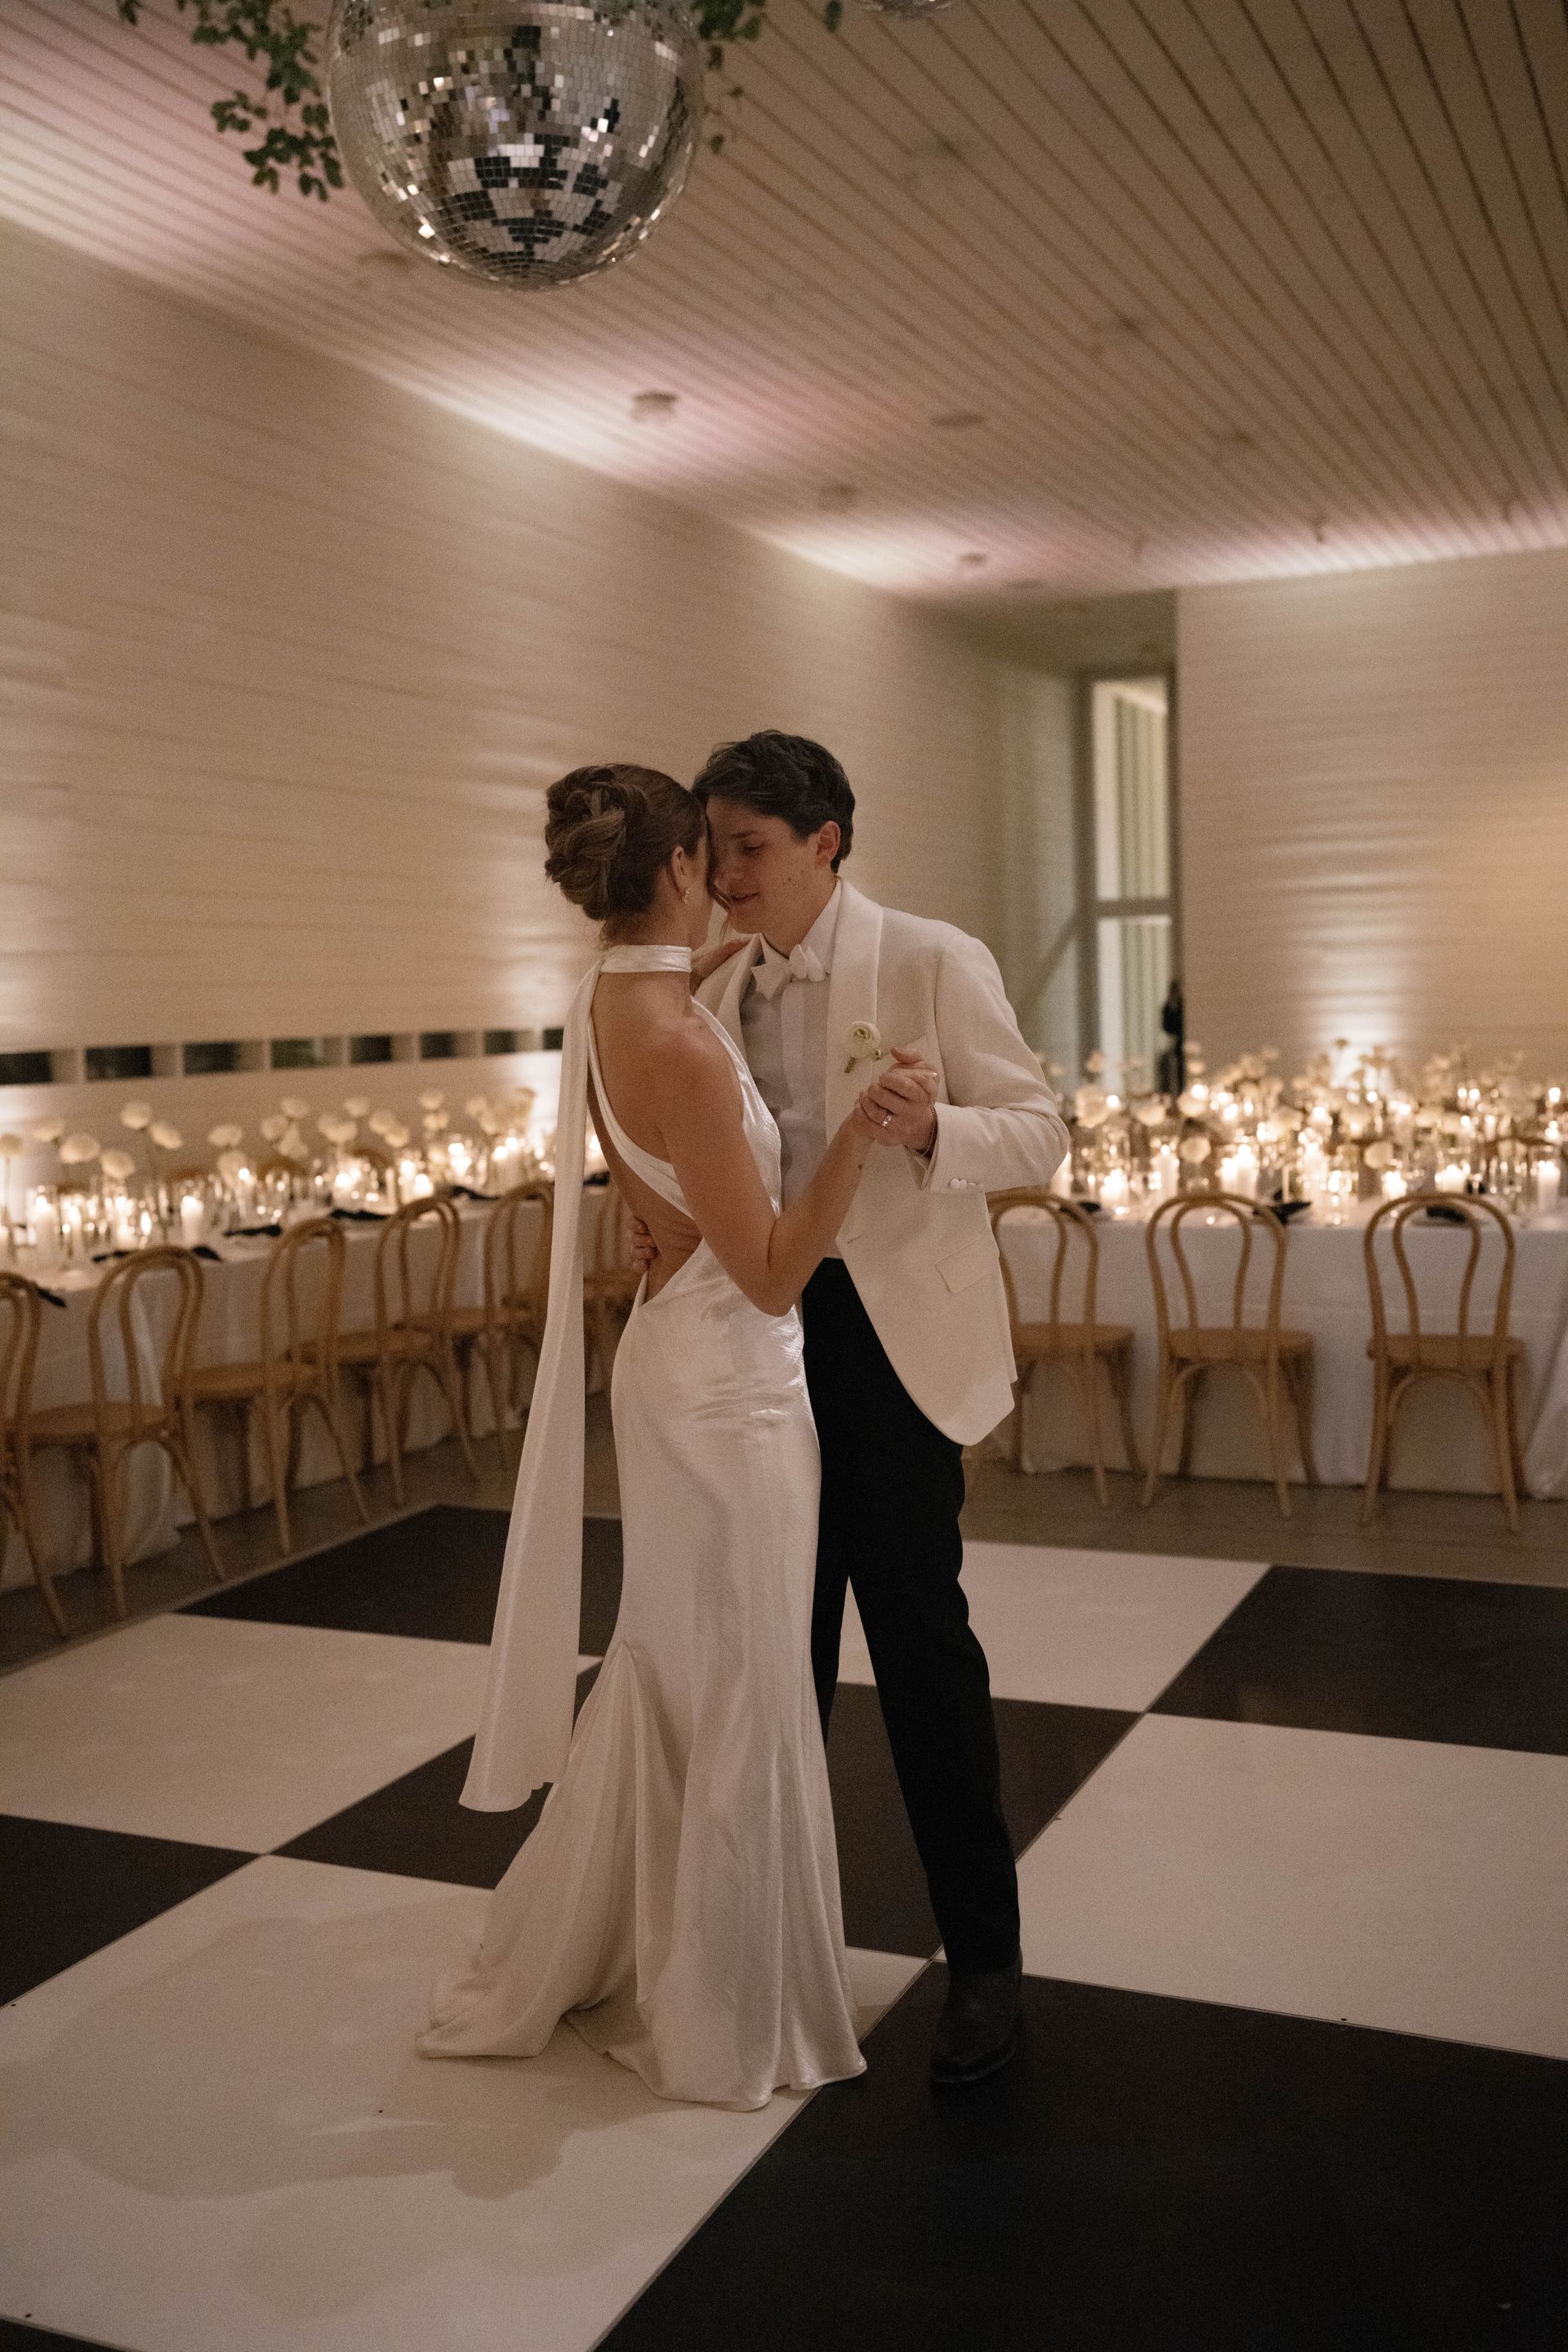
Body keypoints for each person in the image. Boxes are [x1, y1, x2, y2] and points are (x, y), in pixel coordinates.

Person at [417, 763, 902, 2112]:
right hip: (734, 1386)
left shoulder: (609, 1002)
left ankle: (651, 1934)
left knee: (686, 1662)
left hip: (671, 1360)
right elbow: (770, 1272)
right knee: (744, 1673)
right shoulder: (683, 1041)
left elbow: (665, 1137)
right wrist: (854, 1137)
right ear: (683, 865)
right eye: (714, 862)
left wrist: (722, 953)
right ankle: (726, 2000)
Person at [630, 733, 1069, 2086]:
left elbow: (1045, 1134)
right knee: (772, 1654)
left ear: (828, 843)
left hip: (890, 1354)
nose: (728, 879)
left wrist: (933, 1129)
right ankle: (769, 1953)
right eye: (715, 854)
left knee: (924, 1654)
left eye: (751, 850)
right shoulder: (709, 985)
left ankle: (984, 1963)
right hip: (756, 1348)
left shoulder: (931, 957)